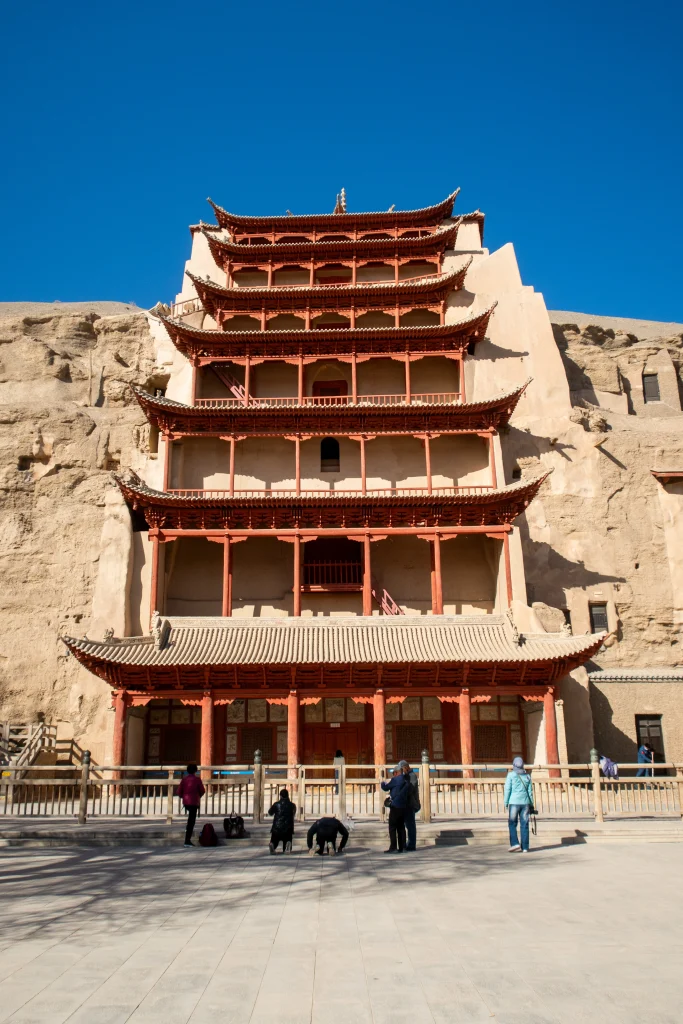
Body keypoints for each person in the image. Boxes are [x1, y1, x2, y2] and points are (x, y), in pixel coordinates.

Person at [503, 756, 534, 853]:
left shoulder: (511, 775)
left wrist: (506, 802)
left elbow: (507, 789)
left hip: (514, 802)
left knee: (512, 823)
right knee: (524, 824)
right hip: (525, 803)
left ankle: (515, 843)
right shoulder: (528, 776)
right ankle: (525, 847)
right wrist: (531, 804)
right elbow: (530, 792)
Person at [380, 765, 410, 853]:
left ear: (396, 773)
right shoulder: (406, 780)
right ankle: (403, 847)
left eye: (393, 773)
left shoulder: (395, 780)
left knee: (392, 827)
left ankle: (393, 847)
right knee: (401, 827)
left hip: (395, 806)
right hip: (403, 806)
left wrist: (382, 783)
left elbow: (385, 788)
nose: (393, 775)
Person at [177, 763, 205, 847]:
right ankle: (187, 840)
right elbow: (202, 790)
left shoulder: (184, 780)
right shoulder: (197, 780)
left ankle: (187, 839)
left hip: (186, 802)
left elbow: (179, 792)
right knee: (191, 821)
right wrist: (198, 795)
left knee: (190, 820)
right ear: (195, 770)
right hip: (194, 802)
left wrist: (184, 796)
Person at [399, 759, 421, 852]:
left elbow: (409, 789)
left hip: (410, 803)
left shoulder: (412, 776)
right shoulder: (405, 776)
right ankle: (406, 843)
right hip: (404, 803)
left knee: (410, 825)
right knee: (405, 824)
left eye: (402, 769)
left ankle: (412, 844)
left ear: (406, 768)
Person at [268, 788, 297, 853]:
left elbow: (270, 813)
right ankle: (287, 846)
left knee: (274, 839)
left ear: (280, 796)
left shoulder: (276, 804)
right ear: (288, 795)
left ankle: (272, 844)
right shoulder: (292, 805)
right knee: (287, 838)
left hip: (276, 828)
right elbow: (293, 814)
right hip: (288, 829)